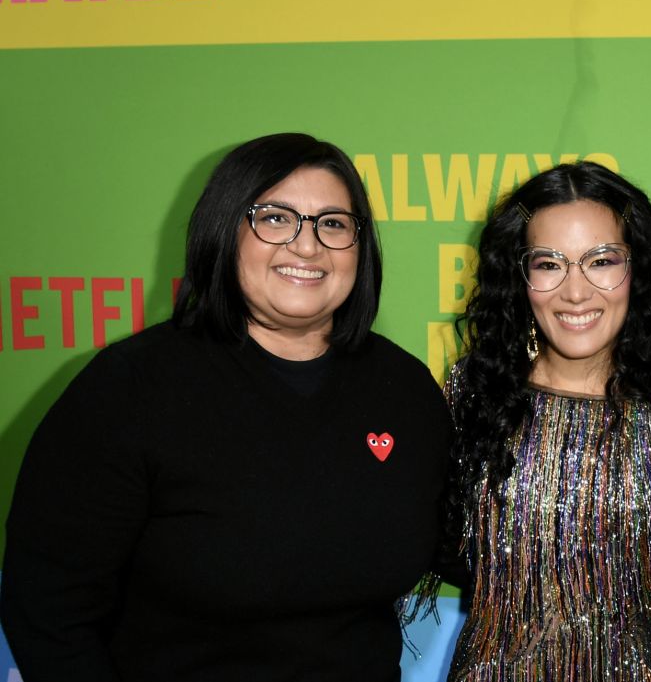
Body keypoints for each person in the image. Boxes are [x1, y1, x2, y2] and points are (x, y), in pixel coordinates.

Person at [1, 133, 451, 681]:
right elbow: (50, 609)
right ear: (225, 229)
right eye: (274, 218)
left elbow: (466, 547)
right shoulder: (131, 388)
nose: (307, 246)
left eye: (333, 223)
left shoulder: (404, 388)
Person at [421, 161, 651, 681]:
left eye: (602, 260)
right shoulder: (472, 392)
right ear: (519, 276)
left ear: (638, 267)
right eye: (549, 264)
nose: (576, 292)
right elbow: (424, 536)